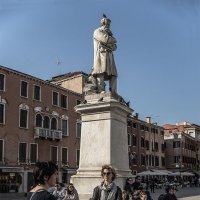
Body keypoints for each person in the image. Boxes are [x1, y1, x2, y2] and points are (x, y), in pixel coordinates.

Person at [92, 14, 117, 94]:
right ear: (103, 24)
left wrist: (110, 42)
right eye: (107, 24)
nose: (108, 26)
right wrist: (112, 40)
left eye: (109, 25)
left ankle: (114, 92)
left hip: (109, 55)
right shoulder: (97, 31)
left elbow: (114, 47)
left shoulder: (110, 34)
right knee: (100, 72)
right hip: (101, 55)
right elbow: (105, 39)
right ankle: (101, 89)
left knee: (114, 74)